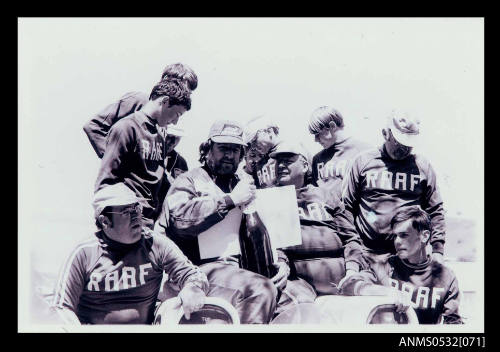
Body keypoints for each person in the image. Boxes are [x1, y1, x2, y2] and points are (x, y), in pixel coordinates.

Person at [156, 120, 288, 324]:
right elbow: (179, 220)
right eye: (223, 148)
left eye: (235, 150)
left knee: (295, 298)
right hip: (201, 270)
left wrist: (281, 261)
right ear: (208, 149)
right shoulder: (190, 180)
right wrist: (230, 200)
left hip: (242, 270)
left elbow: (267, 226)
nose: (229, 155)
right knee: (261, 289)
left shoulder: (244, 183)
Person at [50, 183, 208, 325]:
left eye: (136, 208)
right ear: (105, 221)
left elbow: (194, 275)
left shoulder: (155, 243)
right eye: (126, 211)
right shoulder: (85, 253)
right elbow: (60, 307)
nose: (136, 216)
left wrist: (193, 288)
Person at [342, 110, 446, 267]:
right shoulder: (363, 162)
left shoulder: (422, 167)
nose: (404, 148)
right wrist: (353, 249)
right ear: (385, 134)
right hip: (368, 254)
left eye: (408, 144)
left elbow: (436, 210)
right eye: (399, 142)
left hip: (410, 256)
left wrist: (437, 250)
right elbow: (346, 208)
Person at [269, 141, 364, 296]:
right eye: (278, 162)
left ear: (305, 166)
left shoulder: (327, 196)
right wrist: (281, 263)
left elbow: (351, 238)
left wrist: (352, 271)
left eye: (287, 161)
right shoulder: (272, 199)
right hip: (299, 283)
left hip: (343, 278)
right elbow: (275, 245)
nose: (280, 166)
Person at [94, 78, 191, 229]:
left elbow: (161, 180)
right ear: (165, 101)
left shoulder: (159, 136)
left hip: (150, 221)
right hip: (126, 219)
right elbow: (106, 182)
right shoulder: (126, 128)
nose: (175, 122)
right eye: (177, 114)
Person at [339, 206, 463, 324]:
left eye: (404, 235)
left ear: (425, 236)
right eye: (395, 236)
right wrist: (388, 292)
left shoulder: (446, 277)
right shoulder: (385, 266)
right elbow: (347, 285)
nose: (397, 242)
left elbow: (453, 324)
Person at [83, 63, 198, 159]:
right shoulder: (138, 100)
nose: (186, 95)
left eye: (189, 93)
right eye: (184, 88)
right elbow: (93, 126)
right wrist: (116, 160)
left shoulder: (166, 115)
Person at [308, 106, 372, 198]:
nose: (315, 140)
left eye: (318, 134)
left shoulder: (364, 151)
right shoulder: (317, 159)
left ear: (332, 126)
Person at [239, 115, 281, 189]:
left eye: (254, 140)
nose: (253, 146)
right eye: (251, 142)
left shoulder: (289, 150)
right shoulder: (260, 160)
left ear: (269, 131)